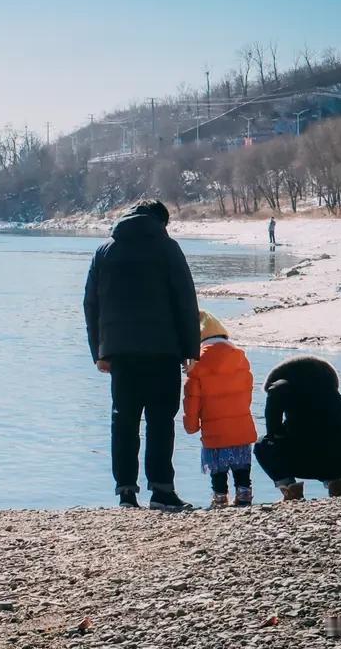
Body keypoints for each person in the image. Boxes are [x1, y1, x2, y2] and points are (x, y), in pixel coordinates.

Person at [83, 199, 200, 511]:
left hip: (120, 352)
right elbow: (185, 299)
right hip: (163, 349)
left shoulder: (105, 250)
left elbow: (91, 304)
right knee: (161, 420)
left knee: (124, 420)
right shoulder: (167, 247)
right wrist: (191, 348)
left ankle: (125, 492)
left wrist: (99, 351)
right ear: (161, 221)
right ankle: (162, 490)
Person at [253, 356, 341, 500]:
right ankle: (339, 484)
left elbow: (274, 427)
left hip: (309, 457)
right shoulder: (330, 390)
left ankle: (291, 490)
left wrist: (276, 433)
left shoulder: (283, 386)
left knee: (263, 444)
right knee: (336, 442)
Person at [183, 310, 257, 508]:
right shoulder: (241, 359)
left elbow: (192, 399)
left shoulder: (197, 363)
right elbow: (248, 394)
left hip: (214, 428)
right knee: (242, 467)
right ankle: (244, 495)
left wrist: (191, 426)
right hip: (240, 425)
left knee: (218, 468)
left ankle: (220, 497)